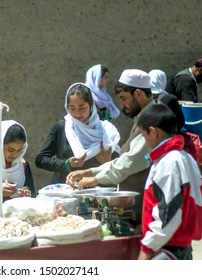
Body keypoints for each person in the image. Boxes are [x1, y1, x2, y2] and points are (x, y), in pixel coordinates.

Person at [66, 69, 155, 227]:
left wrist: (95, 178)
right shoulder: (142, 118)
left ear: (139, 94)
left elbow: (129, 163)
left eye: (123, 98)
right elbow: (123, 160)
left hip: (147, 205)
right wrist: (90, 171)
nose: (121, 105)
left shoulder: (152, 120)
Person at [136, 104, 202, 260]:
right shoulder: (184, 157)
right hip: (179, 245)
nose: (146, 142)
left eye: (144, 136)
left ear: (153, 131)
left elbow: (169, 212)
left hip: (169, 248)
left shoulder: (169, 162)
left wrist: (146, 249)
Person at [35, 82, 120, 185]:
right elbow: (41, 160)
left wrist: (107, 161)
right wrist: (66, 164)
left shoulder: (106, 131)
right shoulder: (62, 128)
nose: (77, 113)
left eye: (82, 107)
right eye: (72, 108)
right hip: (65, 191)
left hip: (95, 192)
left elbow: (119, 166)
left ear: (91, 105)